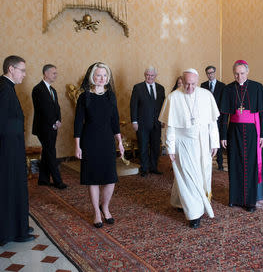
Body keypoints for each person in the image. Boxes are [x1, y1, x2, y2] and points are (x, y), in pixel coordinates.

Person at [159, 68, 220, 229]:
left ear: (197, 81)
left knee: (202, 174)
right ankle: (194, 214)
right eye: (187, 84)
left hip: (203, 143)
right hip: (183, 143)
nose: (190, 87)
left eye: (193, 84)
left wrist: (215, 142)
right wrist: (170, 148)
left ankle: (179, 202)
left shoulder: (206, 95)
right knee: (188, 176)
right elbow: (170, 127)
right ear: (182, 81)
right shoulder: (173, 97)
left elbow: (212, 123)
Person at [0, 55, 34, 244]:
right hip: (7, 148)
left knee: (13, 188)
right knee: (9, 188)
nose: (24, 74)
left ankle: (15, 227)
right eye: (22, 70)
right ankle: (9, 232)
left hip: (10, 146)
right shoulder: (4, 89)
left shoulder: (5, 86)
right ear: (11, 69)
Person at [74, 62, 125, 228]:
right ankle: (97, 212)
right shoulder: (84, 97)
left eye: (104, 75)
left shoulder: (111, 96)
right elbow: (78, 123)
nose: (102, 78)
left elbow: (115, 121)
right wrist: (77, 145)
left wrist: (120, 141)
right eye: (98, 75)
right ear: (92, 77)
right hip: (90, 140)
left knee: (110, 178)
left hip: (107, 140)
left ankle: (105, 206)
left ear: (107, 78)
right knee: (93, 179)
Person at [220, 60, 263, 213]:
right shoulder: (228, 89)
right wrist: (223, 136)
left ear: (247, 72)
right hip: (234, 131)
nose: (239, 76)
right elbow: (223, 116)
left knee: (250, 166)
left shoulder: (257, 87)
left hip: (252, 132)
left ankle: (250, 201)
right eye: (236, 73)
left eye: (242, 73)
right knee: (235, 164)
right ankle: (235, 198)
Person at [32, 64, 67, 189]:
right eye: (54, 73)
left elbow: (56, 108)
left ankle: (43, 179)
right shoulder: (38, 89)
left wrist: (58, 120)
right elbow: (43, 110)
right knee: (51, 152)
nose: (56, 75)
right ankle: (58, 181)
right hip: (43, 127)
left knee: (48, 152)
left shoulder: (53, 90)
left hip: (53, 126)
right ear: (46, 74)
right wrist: (52, 122)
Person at [130, 67, 165, 176]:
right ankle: (144, 168)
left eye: (152, 75)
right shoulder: (138, 88)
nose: (149, 77)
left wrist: (163, 120)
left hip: (157, 123)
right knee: (143, 146)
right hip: (142, 123)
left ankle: (153, 167)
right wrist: (134, 121)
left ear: (155, 76)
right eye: (147, 75)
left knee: (155, 146)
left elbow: (163, 106)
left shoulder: (160, 88)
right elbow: (133, 106)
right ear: (145, 75)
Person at [200, 65, 226, 171]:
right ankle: (206, 162)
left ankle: (220, 163)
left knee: (218, 139)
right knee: (206, 140)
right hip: (206, 117)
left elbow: (223, 102)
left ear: (215, 73)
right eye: (208, 73)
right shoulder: (203, 85)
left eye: (211, 73)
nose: (210, 75)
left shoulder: (222, 86)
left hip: (218, 116)